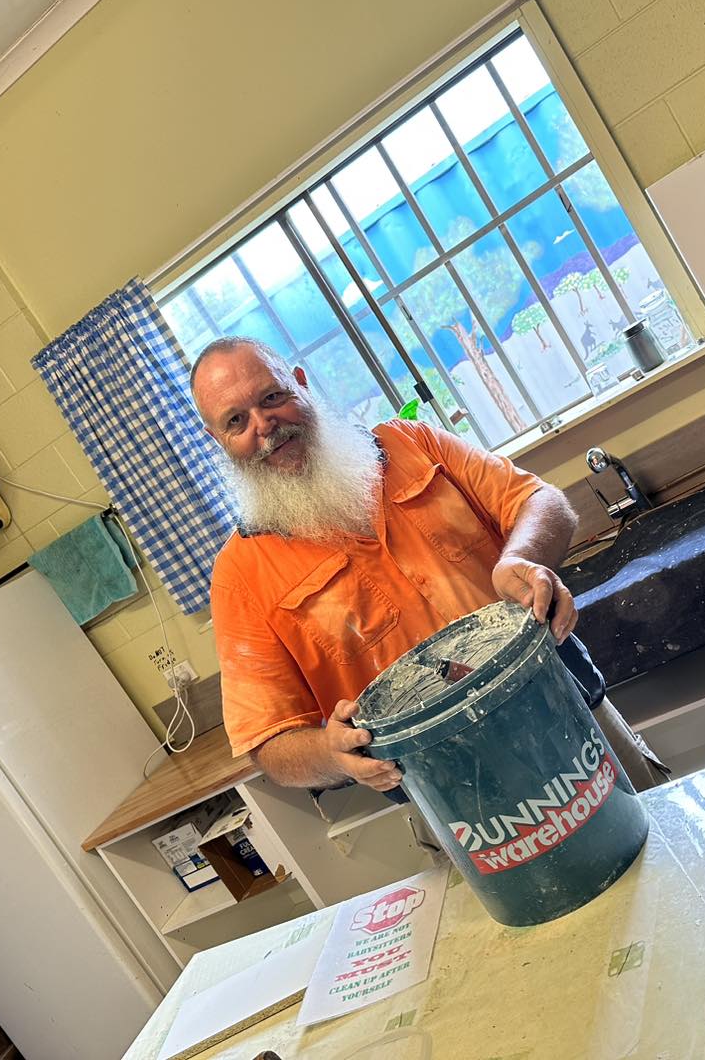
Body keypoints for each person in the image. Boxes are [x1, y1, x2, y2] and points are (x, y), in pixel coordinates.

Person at [191, 336, 668, 795]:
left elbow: (542, 502)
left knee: (667, 848)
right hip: (447, 786)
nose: (265, 424)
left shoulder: (412, 443)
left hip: (562, 703)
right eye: (236, 421)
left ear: (301, 382)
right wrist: (331, 754)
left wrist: (520, 559)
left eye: (273, 396)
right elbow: (268, 745)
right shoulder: (240, 575)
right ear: (218, 440)